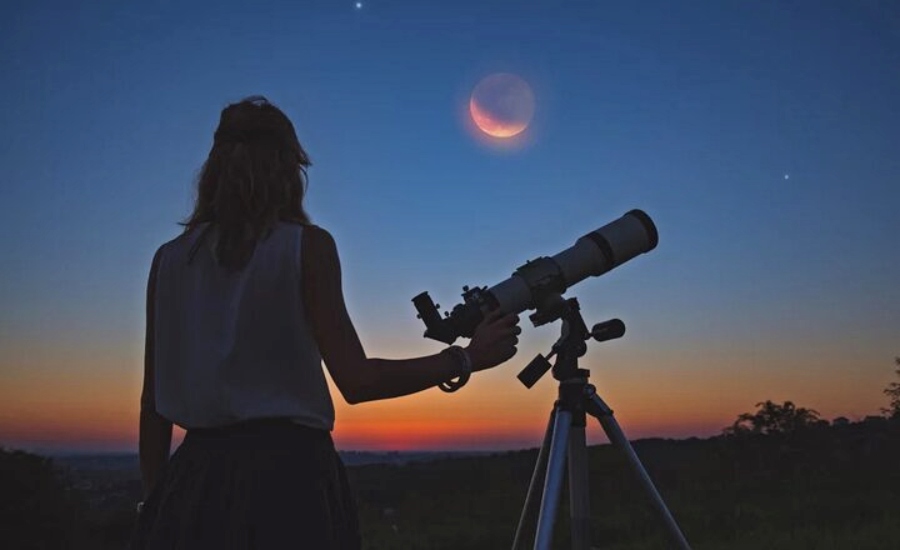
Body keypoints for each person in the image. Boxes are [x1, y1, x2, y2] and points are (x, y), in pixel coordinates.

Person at [130, 96, 521, 549]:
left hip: (194, 481)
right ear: (287, 168)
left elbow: (153, 403)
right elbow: (357, 381)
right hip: (288, 481)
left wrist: (155, 505)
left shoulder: (170, 259)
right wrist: (467, 357)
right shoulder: (306, 247)